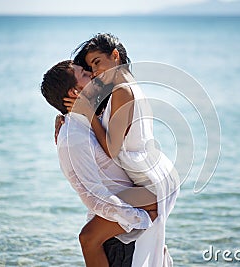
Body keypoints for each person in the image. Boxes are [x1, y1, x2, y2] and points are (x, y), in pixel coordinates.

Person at [42, 60, 177, 266]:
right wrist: (138, 217)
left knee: (89, 238)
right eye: (84, 74)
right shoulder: (74, 137)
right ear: (74, 92)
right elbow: (91, 194)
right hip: (127, 211)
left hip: (136, 201)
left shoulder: (89, 120)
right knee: (88, 238)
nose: (92, 75)